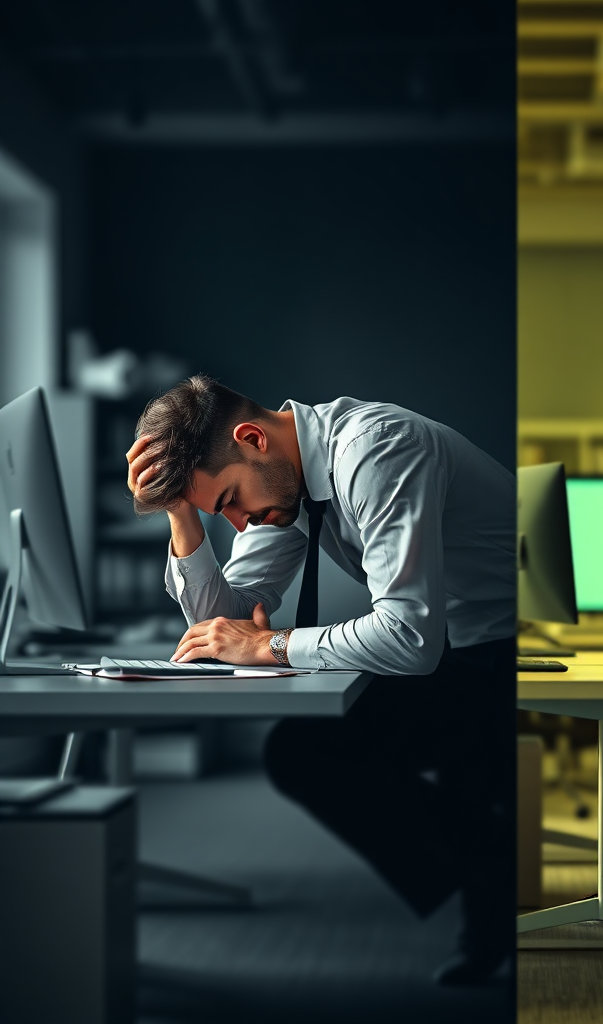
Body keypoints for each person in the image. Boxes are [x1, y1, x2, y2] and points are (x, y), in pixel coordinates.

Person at [126, 375, 517, 986]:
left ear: (253, 438)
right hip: (456, 655)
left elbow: (409, 637)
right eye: (219, 512)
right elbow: (220, 627)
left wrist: (271, 645)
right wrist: (183, 516)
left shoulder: (376, 449)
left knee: (311, 749)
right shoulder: (287, 483)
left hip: (514, 658)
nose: (238, 520)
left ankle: (488, 861)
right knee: (300, 750)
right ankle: (486, 858)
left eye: (229, 499)